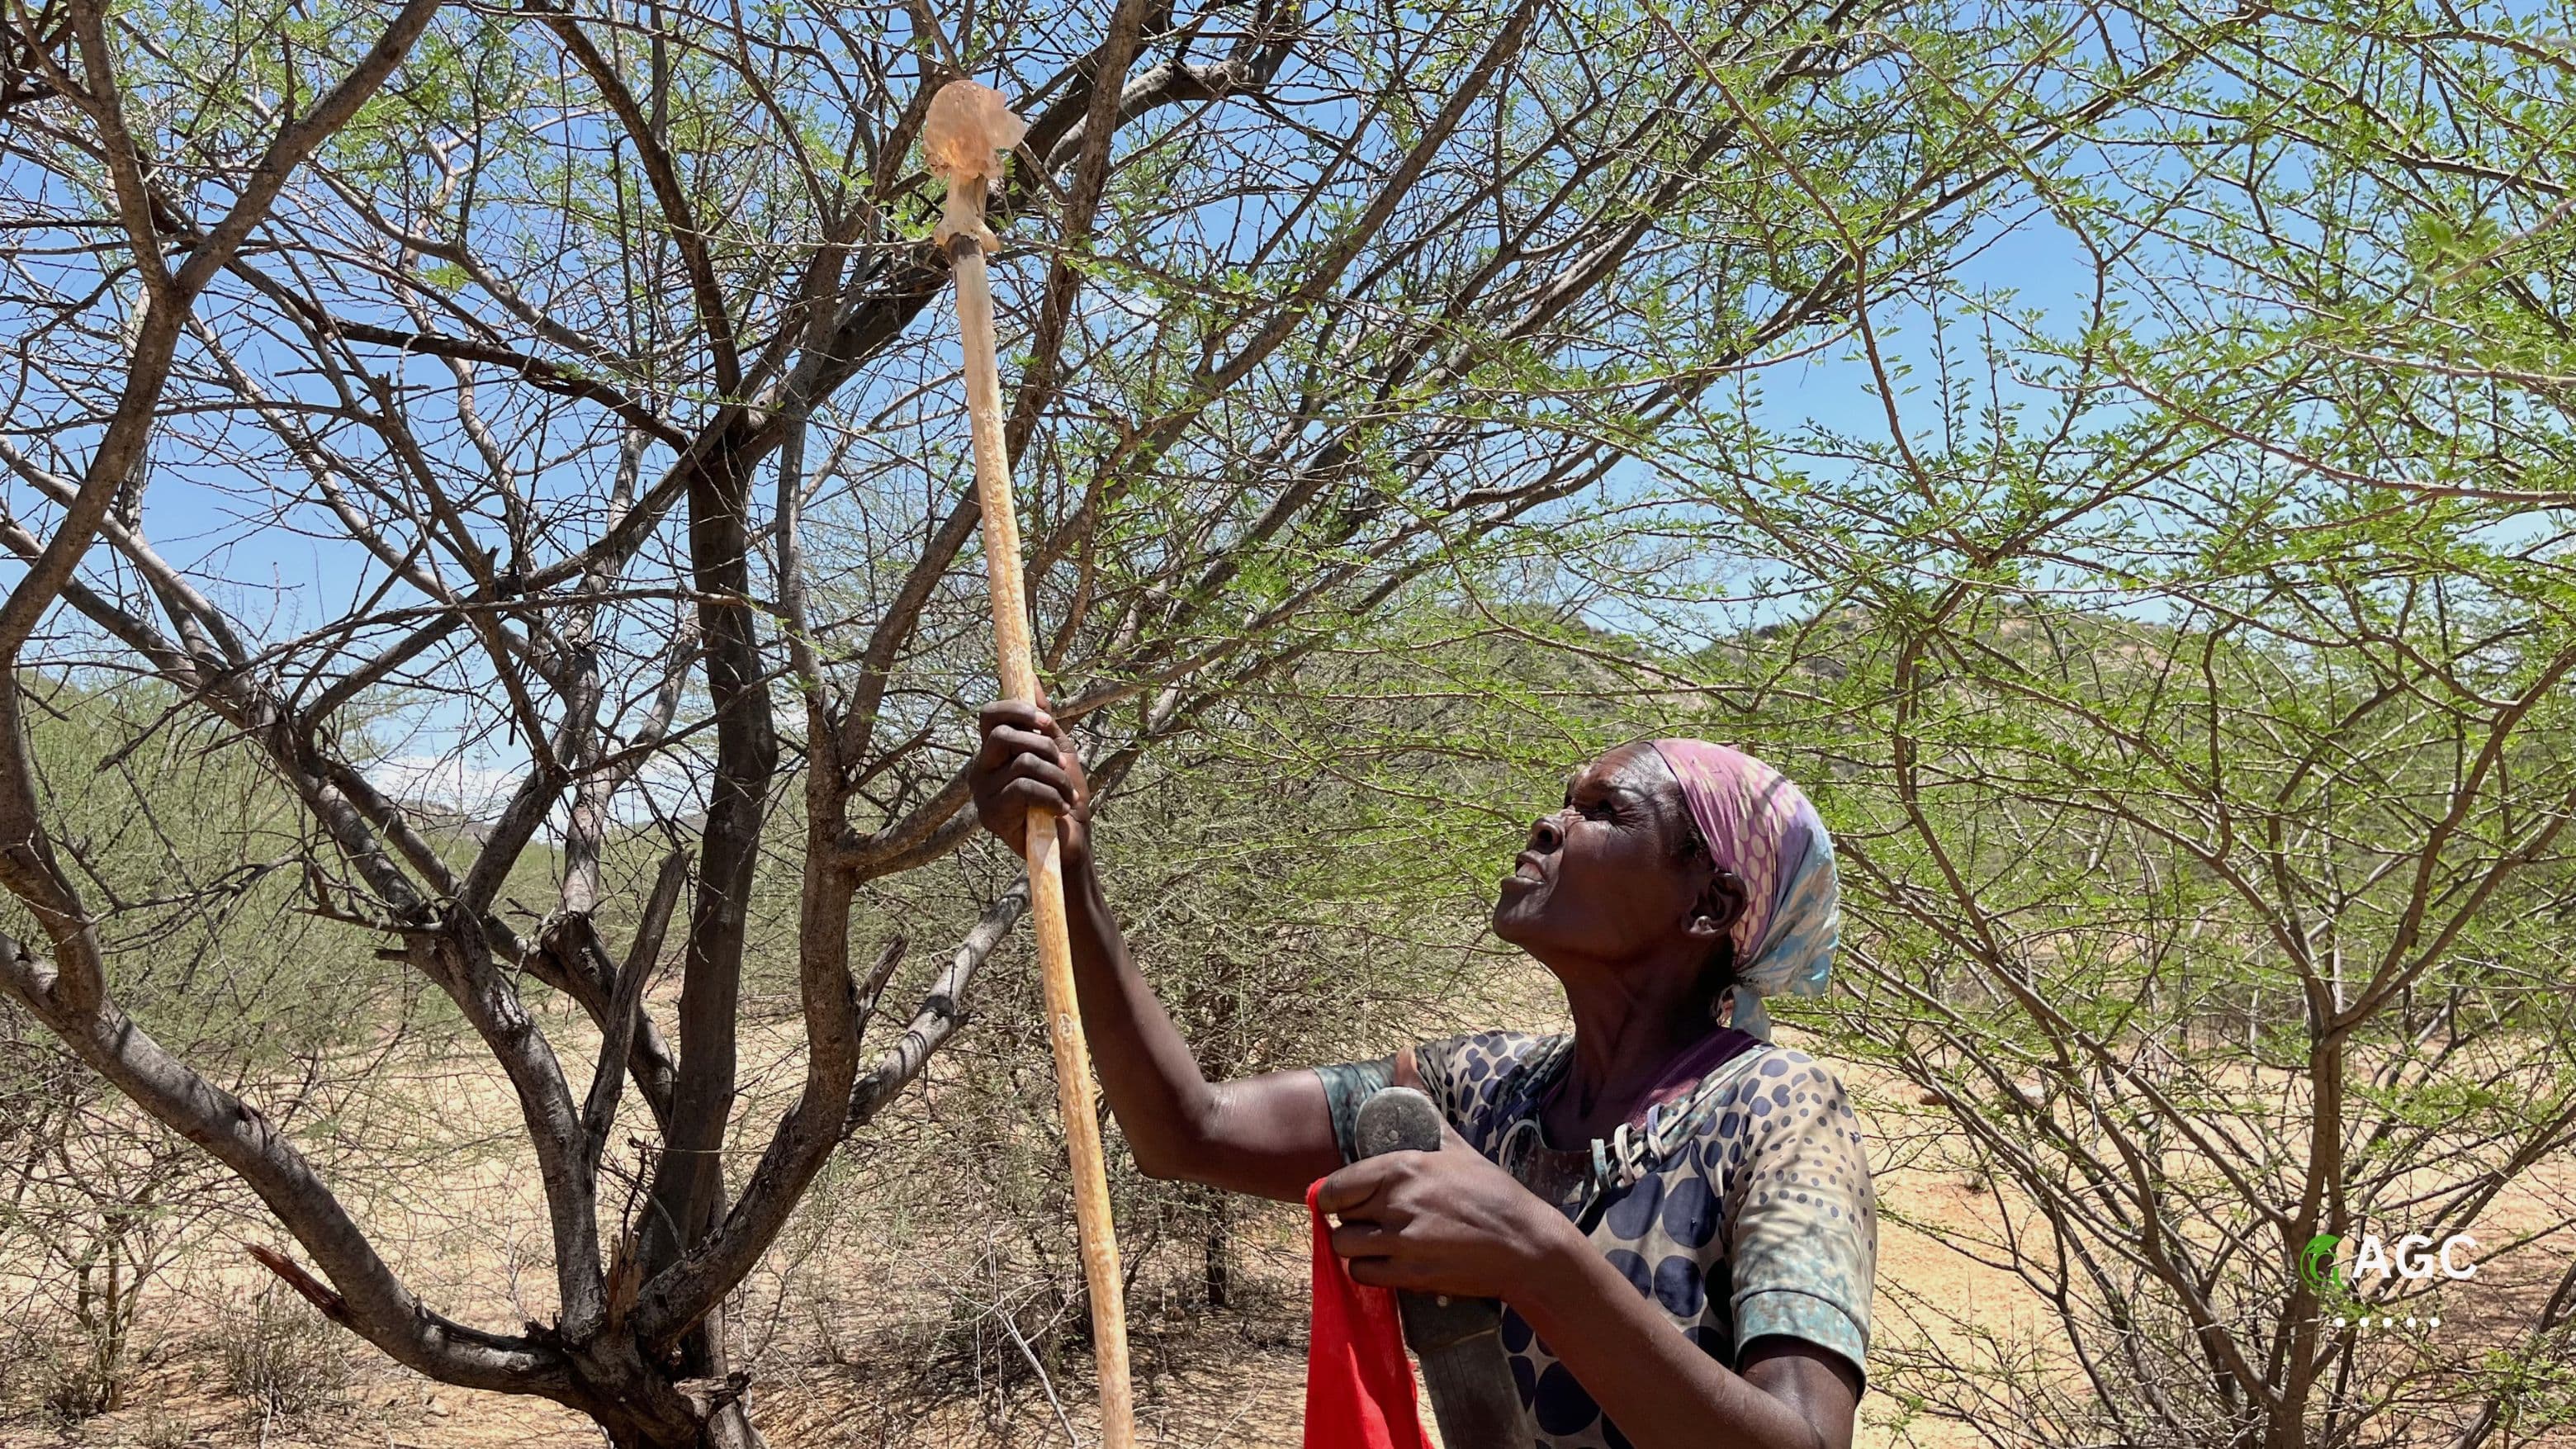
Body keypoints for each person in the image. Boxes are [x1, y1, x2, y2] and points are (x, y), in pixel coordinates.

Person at [970, 701, 1875, 1449]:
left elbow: (1805, 1439)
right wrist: (1073, 876)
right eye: (1565, 799)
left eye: (1604, 812)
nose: (1550, 822)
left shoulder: (1780, 1110)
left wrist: (1536, 1255)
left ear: (1710, 905)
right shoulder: (1481, 1091)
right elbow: (1186, 1129)